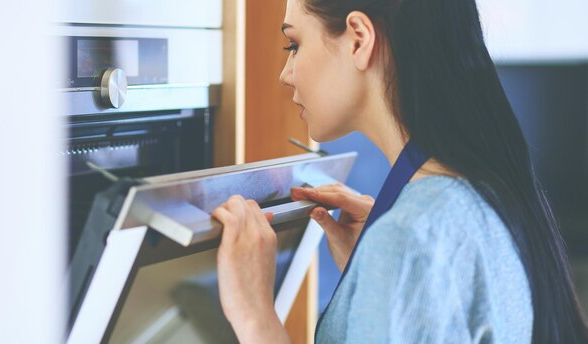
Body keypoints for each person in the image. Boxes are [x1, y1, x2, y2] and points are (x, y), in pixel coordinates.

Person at [211, 0, 588, 342]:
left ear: (359, 39)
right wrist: (373, 279)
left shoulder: (411, 236)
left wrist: (255, 318)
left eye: (294, 45)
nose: (286, 73)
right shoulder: (476, 193)